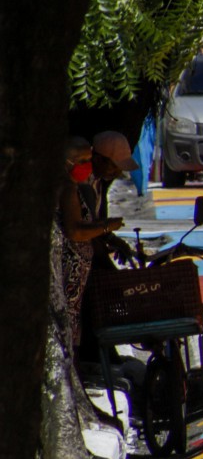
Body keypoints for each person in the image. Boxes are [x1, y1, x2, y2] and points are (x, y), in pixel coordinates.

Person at [58, 137, 124, 351]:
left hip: (76, 276)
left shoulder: (80, 188)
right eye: (82, 160)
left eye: (88, 159)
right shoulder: (68, 189)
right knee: (66, 330)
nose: (87, 165)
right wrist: (107, 227)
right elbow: (75, 230)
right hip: (69, 272)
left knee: (73, 327)